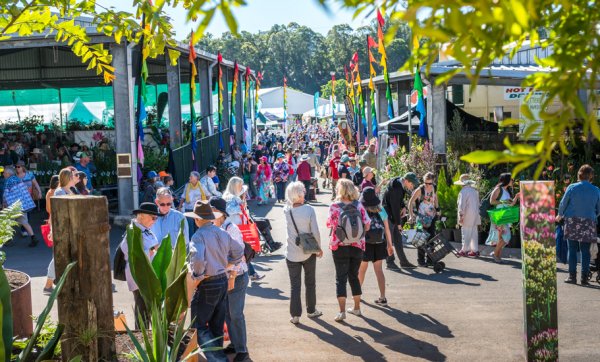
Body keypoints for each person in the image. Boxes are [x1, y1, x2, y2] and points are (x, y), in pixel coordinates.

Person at [186, 200, 244, 362]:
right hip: (221, 280)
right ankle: (217, 358)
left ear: (197, 219)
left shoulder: (198, 236)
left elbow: (197, 259)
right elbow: (239, 251)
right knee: (216, 325)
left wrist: (197, 276)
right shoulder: (221, 232)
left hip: (208, 282)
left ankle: (218, 359)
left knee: (197, 326)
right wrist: (228, 265)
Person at [209, 197, 251, 362]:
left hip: (237, 277)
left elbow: (238, 254)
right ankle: (234, 344)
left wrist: (229, 271)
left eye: (212, 211)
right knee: (227, 313)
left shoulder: (230, 228)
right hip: (223, 277)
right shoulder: (213, 228)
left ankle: (242, 350)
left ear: (220, 213)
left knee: (235, 313)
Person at [327, 179, 371, 322]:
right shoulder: (359, 206)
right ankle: (357, 308)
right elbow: (367, 225)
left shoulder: (334, 206)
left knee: (341, 278)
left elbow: (329, 224)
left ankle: (341, 312)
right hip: (357, 245)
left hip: (339, 246)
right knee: (354, 276)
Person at [284, 182, 323, 324]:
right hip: (308, 251)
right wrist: (318, 248)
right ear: (299, 195)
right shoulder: (309, 210)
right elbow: (316, 232)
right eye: (303, 190)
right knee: (310, 282)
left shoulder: (286, 211)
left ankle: (295, 315)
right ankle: (311, 310)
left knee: (295, 285)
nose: (305, 192)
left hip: (292, 252)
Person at [119, 202, 162, 328]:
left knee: (147, 309)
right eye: (153, 217)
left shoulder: (144, 229)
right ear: (141, 216)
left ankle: (145, 337)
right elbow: (127, 249)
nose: (155, 220)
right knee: (142, 310)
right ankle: (141, 339)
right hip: (141, 277)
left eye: (156, 218)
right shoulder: (133, 230)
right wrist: (152, 249)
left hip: (148, 275)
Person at [558, 165, 600, 285]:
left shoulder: (572, 187)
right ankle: (584, 278)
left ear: (579, 174)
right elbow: (598, 209)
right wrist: (592, 216)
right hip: (589, 222)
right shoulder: (596, 190)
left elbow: (563, 203)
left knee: (572, 249)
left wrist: (560, 214)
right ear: (591, 176)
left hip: (572, 221)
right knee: (585, 251)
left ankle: (572, 276)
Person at [358, 187, 394, 306]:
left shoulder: (361, 209)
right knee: (379, 270)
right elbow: (387, 228)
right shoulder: (381, 209)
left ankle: (357, 294)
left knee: (362, 270)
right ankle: (383, 297)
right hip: (379, 242)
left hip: (365, 243)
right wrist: (389, 244)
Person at [383, 172, 419, 269]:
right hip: (388, 215)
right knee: (389, 240)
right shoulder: (397, 188)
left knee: (398, 239)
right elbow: (394, 207)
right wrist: (398, 223)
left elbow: (398, 201)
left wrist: (403, 206)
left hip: (391, 214)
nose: (412, 186)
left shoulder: (399, 181)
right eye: (412, 184)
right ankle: (390, 262)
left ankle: (403, 262)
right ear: (406, 181)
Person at [408, 172, 441, 266]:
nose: (427, 185)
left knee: (432, 238)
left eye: (429, 183)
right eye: (425, 183)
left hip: (432, 217)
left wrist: (438, 208)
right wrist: (411, 215)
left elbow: (436, 198)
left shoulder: (434, 188)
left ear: (433, 182)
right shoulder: (420, 189)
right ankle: (421, 260)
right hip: (420, 218)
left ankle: (430, 259)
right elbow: (410, 202)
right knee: (420, 239)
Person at [2, 166, 38, 247]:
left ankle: (8, 239)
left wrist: (4, 206)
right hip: (22, 205)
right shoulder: (18, 179)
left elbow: (5, 195)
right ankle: (33, 237)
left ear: (8, 174)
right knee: (24, 222)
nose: (3, 174)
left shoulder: (8, 181)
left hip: (13, 206)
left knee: (7, 221)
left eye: (4, 173)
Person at [485, 173, 516, 263]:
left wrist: (516, 197)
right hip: (499, 216)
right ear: (506, 180)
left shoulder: (507, 191)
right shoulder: (498, 189)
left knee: (502, 237)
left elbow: (510, 204)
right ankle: (495, 254)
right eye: (511, 179)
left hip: (505, 216)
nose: (512, 181)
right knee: (506, 236)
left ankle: (497, 256)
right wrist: (503, 201)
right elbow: (492, 201)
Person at [455, 174, 481, 257]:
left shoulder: (463, 192)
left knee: (465, 233)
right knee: (474, 233)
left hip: (466, 215)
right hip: (475, 215)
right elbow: (478, 204)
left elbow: (461, 205)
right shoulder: (474, 191)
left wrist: (461, 216)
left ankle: (464, 250)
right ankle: (475, 250)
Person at [43, 175, 60, 295]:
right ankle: (48, 284)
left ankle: (52, 282)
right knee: (57, 255)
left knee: (57, 254)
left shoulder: (50, 192)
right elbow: (51, 210)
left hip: (52, 220)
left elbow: (48, 210)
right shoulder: (55, 193)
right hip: (55, 222)